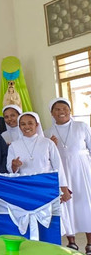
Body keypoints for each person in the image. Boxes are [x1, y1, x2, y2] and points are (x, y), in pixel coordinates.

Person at [45, 98, 91, 252]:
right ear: (52, 113)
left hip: (83, 171)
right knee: (67, 206)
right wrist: (50, 145)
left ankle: (89, 242)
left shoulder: (81, 126)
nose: (61, 111)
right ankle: (72, 241)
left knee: (86, 204)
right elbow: (47, 158)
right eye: (57, 109)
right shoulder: (47, 132)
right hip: (62, 172)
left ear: (70, 110)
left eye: (64, 108)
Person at [6, 112, 70, 197]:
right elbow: (10, 169)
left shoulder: (48, 143)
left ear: (36, 125)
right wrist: (14, 165)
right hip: (26, 186)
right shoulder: (14, 145)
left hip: (47, 185)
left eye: (30, 123)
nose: (27, 127)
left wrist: (63, 187)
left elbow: (58, 166)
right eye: (23, 124)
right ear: (19, 127)